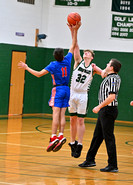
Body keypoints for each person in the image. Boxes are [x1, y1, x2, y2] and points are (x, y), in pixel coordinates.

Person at [18, 22, 81, 153]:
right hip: (66, 89)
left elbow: (39, 74)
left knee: (55, 114)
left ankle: (53, 137)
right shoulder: (68, 59)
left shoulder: (53, 65)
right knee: (63, 114)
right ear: (63, 55)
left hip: (57, 90)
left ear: (54, 56)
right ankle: (61, 135)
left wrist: (26, 67)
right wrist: (75, 30)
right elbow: (73, 45)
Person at [67, 25, 106, 158]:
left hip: (83, 95)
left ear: (92, 57)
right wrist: (74, 31)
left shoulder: (93, 68)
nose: (85, 53)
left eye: (88, 53)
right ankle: (72, 143)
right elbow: (75, 45)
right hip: (72, 93)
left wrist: (98, 68)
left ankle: (80, 144)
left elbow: (105, 74)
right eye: (85, 52)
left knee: (80, 121)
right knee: (72, 120)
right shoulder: (78, 61)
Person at [79, 58, 121, 172]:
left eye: (108, 63)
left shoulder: (113, 79)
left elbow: (111, 97)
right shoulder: (110, 76)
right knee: (97, 136)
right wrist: (95, 68)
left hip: (108, 110)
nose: (106, 64)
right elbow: (102, 72)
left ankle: (113, 165)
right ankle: (90, 160)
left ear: (112, 67)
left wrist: (99, 106)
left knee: (109, 138)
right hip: (105, 111)